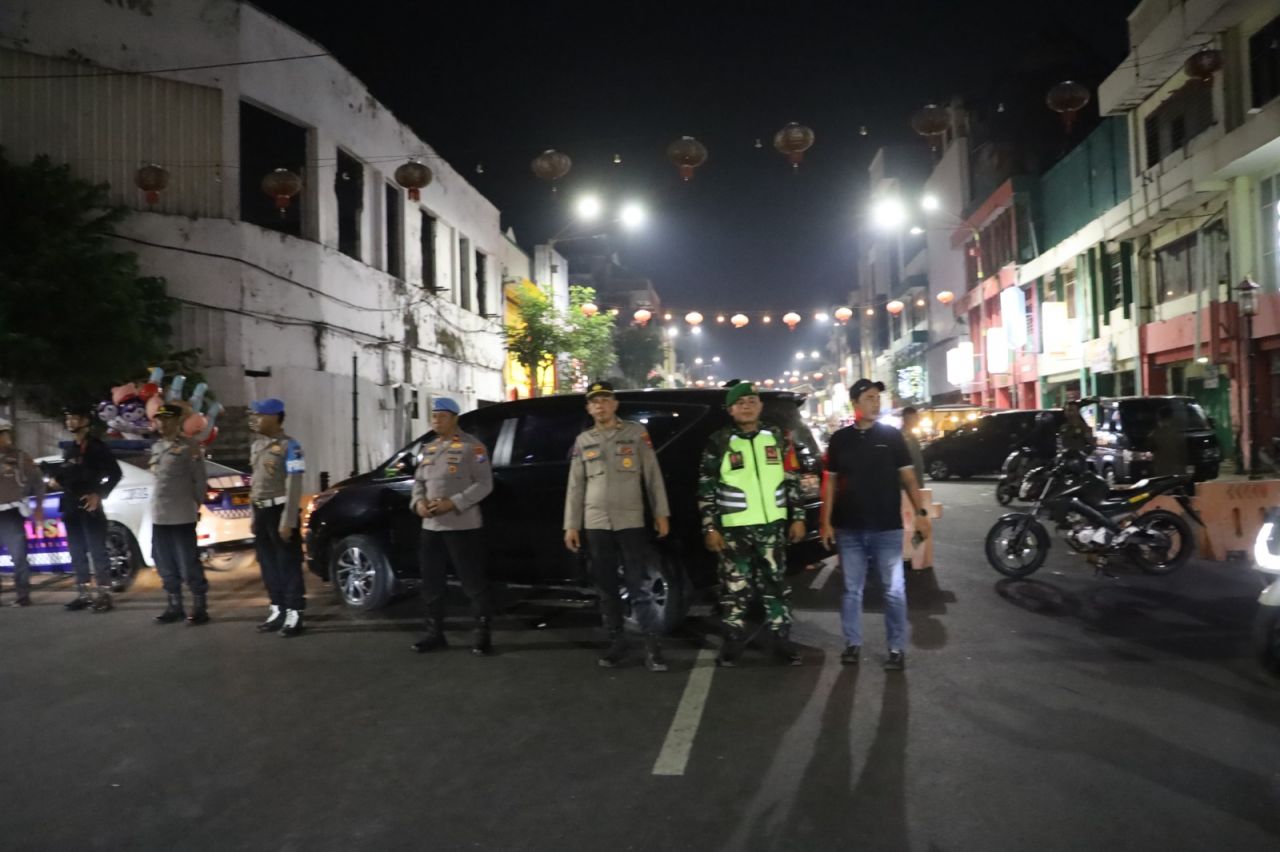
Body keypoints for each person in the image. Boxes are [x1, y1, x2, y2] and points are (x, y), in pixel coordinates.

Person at [820, 379, 931, 672]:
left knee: (893, 590)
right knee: (851, 590)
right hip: (849, 528)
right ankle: (852, 644)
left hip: (886, 528)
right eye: (869, 397)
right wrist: (826, 522)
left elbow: (909, 478)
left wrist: (920, 512)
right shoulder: (839, 439)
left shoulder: (892, 437)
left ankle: (896, 648)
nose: (876, 402)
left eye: (877, 398)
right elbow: (830, 483)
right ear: (855, 403)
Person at [564, 380, 672, 671]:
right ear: (589, 408)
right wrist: (571, 525)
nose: (600, 406)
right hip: (596, 523)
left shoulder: (635, 434)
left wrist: (661, 512)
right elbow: (576, 486)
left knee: (640, 586)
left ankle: (653, 646)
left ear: (614, 404)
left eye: (605, 400)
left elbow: (652, 475)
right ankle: (617, 642)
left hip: (630, 521)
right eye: (594, 401)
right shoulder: (583, 440)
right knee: (606, 587)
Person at [698, 382, 808, 667]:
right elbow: (707, 487)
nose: (746, 406)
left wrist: (798, 517)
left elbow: (792, 478)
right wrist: (710, 527)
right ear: (730, 409)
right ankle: (733, 641)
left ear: (760, 406)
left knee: (776, 584)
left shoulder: (777, 436)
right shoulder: (719, 441)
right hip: (734, 530)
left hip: (772, 527)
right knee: (735, 587)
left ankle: (781, 639)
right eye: (740, 403)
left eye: (751, 401)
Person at [410, 397, 495, 656]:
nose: (436, 420)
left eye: (442, 416)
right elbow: (418, 482)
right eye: (434, 416)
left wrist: (454, 502)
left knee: (472, 582)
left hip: (462, 526)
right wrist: (418, 503)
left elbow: (484, 484)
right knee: (431, 582)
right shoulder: (429, 448)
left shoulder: (473, 447)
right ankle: (434, 633)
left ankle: (482, 634)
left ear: (455, 418)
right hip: (431, 527)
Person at [248, 398, 307, 637]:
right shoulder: (257, 446)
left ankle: (294, 611)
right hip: (261, 511)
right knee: (268, 564)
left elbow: (294, 484)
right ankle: (277, 608)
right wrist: (253, 516)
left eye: (260, 415)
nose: (255, 419)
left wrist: (288, 520)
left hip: (280, 511)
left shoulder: (291, 446)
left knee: (288, 563)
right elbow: (255, 484)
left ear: (275, 417)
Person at [148, 403, 210, 625]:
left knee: (188, 562)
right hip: (160, 516)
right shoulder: (157, 447)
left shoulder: (189, 446)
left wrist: (195, 505)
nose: (162, 424)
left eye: (167, 419)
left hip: (182, 514)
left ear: (177, 421)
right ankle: (175, 605)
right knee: (164, 562)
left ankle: (199, 606)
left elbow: (200, 480)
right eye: (160, 419)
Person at [58, 403, 122, 612]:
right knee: (76, 551)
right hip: (71, 507)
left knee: (97, 551)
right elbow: (67, 475)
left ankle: (104, 594)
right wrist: (56, 480)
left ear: (85, 421)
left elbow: (115, 473)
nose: (70, 422)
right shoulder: (70, 449)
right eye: (68, 418)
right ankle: (83, 594)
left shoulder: (96, 447)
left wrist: (99, 494)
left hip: (89, 506)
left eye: (74, 418)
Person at [0, 418, 45, 606]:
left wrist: (39, 508)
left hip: (11, 512)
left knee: (18, 555)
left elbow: (38, 483)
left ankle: (23, 595)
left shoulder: (20, 457)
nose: (4, 438)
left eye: (4, 434)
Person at [1149, 406, 1188, 477]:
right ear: (1171, 418)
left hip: (1161, 472)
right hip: (1177, 471)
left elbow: (1150, 450)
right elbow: (1183, 455)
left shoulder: (1154, 434)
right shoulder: (1178, 434)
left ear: (1159, 418)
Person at [900, 407, 925, 487]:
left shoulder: (912, 435)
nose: (918, 419)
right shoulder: (902, 437)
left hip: (914, 483)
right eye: (915, 417)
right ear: (908, 418)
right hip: (909, 485)